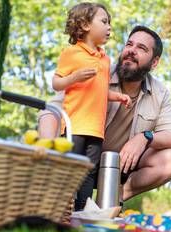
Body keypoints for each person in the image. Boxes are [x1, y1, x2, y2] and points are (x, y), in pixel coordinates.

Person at [39, 25, 171, 210]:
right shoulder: (96, 71)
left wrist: (146, 137)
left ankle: (112, 199)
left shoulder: (160, 92)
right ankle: (63, 203)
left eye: (141, 48)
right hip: (79, 157)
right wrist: (48, 148)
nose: (131, 51)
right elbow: (51, 109)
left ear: (154, 63)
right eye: (129, 44)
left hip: (119, 168)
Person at [51, 2, 132, 211]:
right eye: (104, 22)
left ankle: (81, 214)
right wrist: (74, 77)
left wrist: (117, 97)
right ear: (86, 24)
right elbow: (56, 83)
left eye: (109, 23)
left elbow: (100, 91)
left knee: (88, 173)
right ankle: (59, 212)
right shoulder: (72, 53)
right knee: (70, 171)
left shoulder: (105, 59)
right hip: (74, 126)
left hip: (96, 130)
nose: (109, 27)